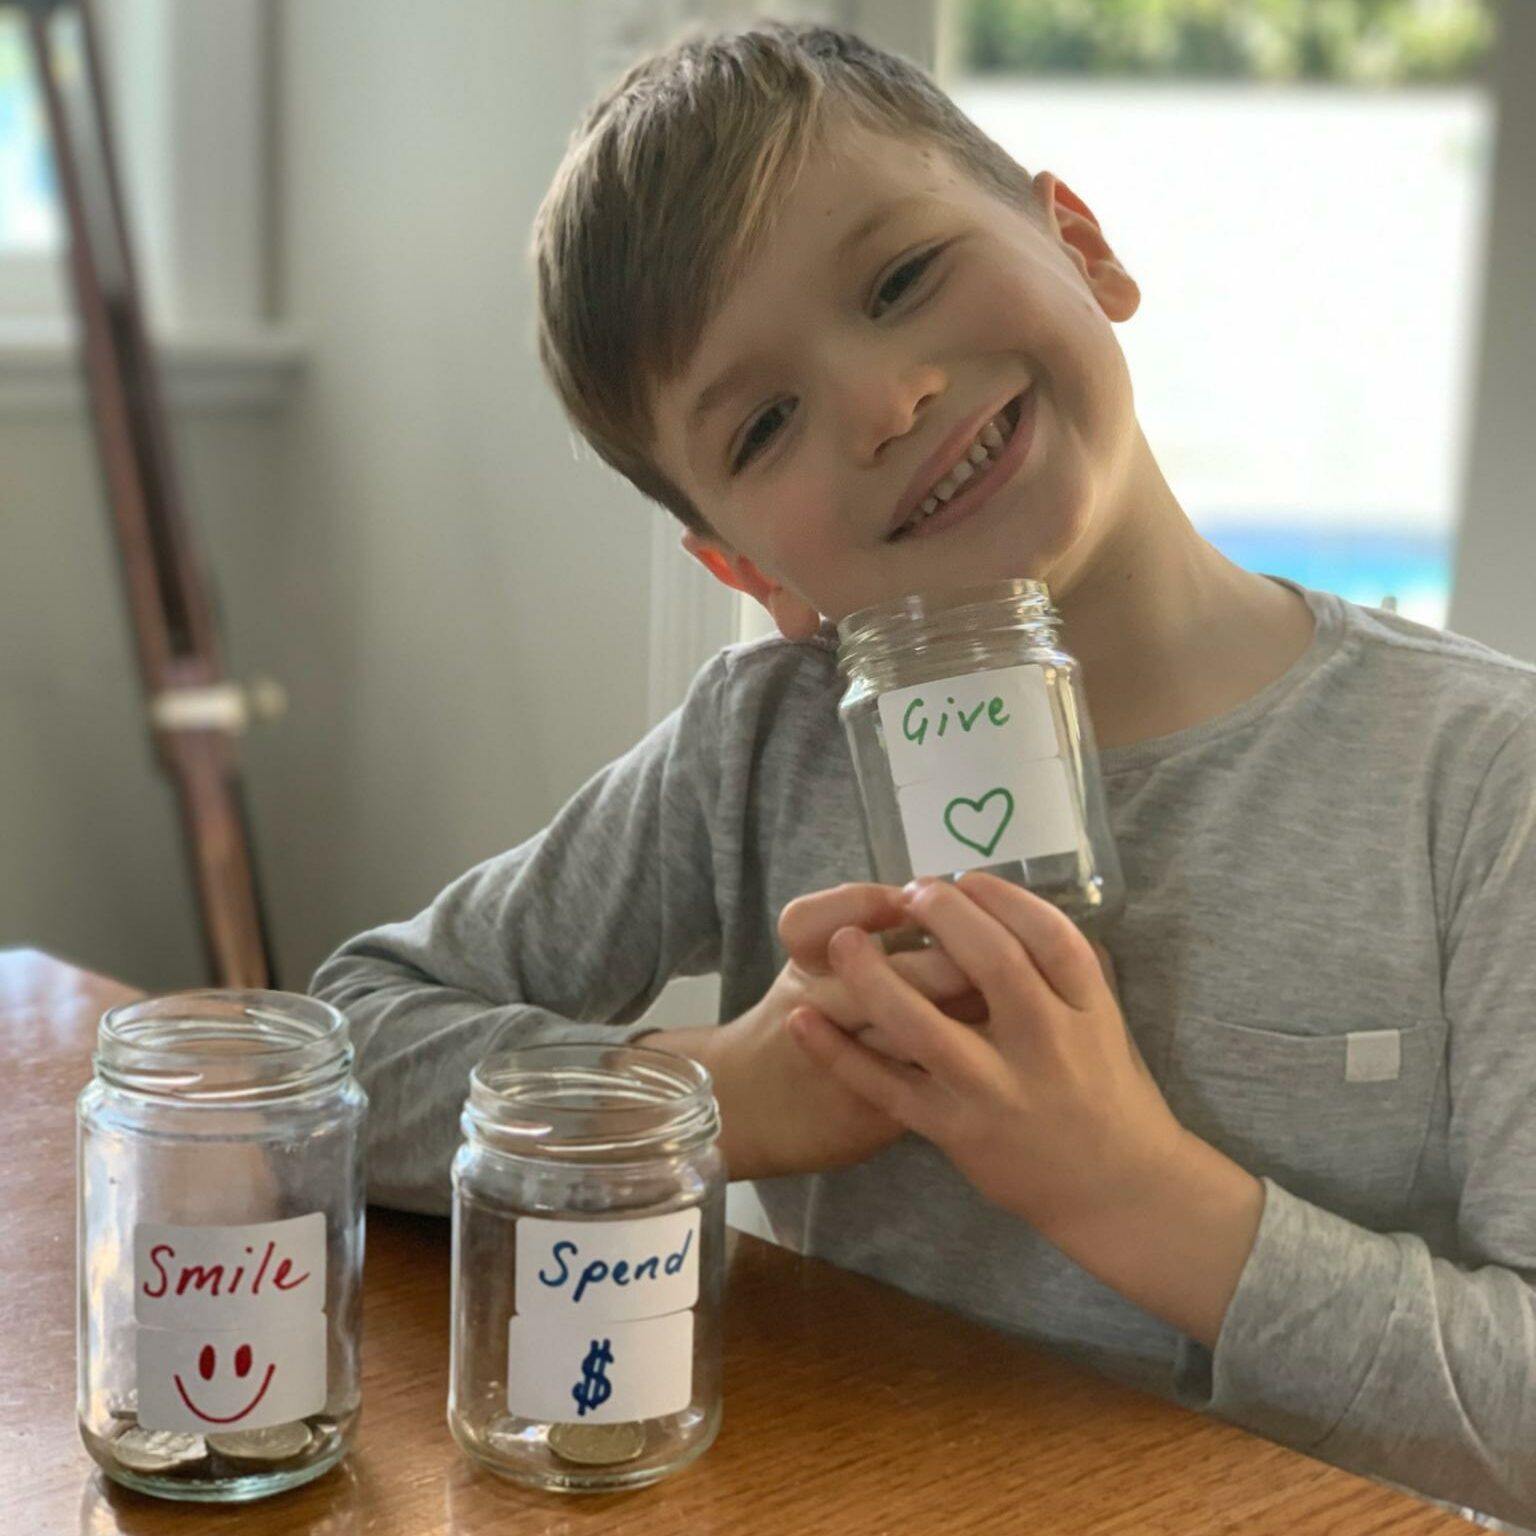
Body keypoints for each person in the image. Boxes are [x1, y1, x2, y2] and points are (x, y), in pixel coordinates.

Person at [310, 22, 1536, 1526]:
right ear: (745, 566)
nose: (888, 403)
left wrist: (1134, 1194)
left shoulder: (1484, 782)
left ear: (1080, 245)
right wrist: (718, 1097)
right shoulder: (760, 744)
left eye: (901, 280)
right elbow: (341, 1056)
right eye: (765, 424)